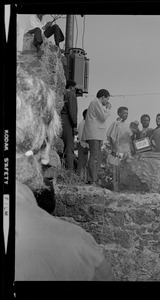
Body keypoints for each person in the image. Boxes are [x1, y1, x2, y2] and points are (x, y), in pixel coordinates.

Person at [16, 65, 115, 281]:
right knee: (90, 159)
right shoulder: (78, 249)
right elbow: (98, 116)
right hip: (91, 134)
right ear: (44, 152)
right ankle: (92, 180)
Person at [82, 89, 112, 185]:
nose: (107, 101)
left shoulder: (97, 104)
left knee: (98, 157)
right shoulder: (96, 102)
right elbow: (103, 117)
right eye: (107, 99)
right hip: (94, 134)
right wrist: (108, 108)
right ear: (102, 97)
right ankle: (91, 179)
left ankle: (93, 178)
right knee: (94, 157)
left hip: (97, 134)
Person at [106, 107, 134, 191]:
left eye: (127, 113)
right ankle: (115, 189)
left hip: (127, 152)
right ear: (119, 113)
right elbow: (110, 136)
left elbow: (130, 138)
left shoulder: (126, 125)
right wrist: (113, 148)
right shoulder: (116, 123)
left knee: (125, 172)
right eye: (124, 113)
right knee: (116, 172)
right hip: (119, 151)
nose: (126, 115)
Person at [61, 80, 78, 172]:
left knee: (62, 146)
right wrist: (74, 125)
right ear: (71, 87)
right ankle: (69, 171)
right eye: (75, 88)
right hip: (67, 120)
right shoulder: (71, 95)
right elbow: (72, 111)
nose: (75, 90)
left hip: (60, 119)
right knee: (69, 146)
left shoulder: (61, 93)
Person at [77, 109, 89, 182]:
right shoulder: (83, 124)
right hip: (82, 145)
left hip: (85, 146)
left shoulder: (86, 124)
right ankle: (79, 178)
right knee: (81, 163)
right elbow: (81, 136)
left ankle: (84, 178)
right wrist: (84, 146)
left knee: (85, 163)